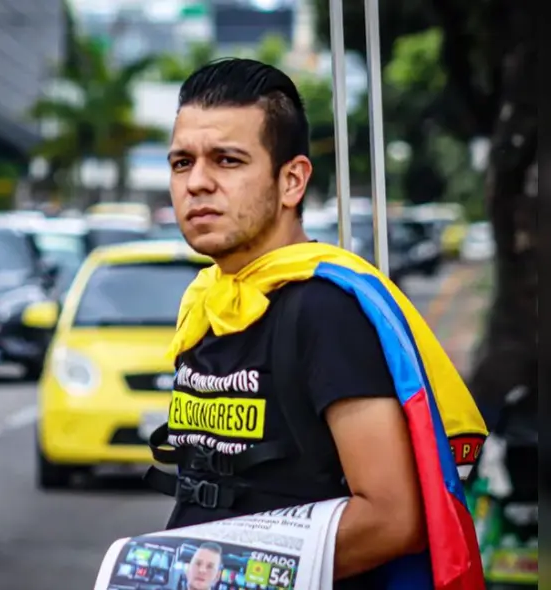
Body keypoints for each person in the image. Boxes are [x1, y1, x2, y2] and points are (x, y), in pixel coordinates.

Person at [145, 58, 487, 589]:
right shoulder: (207, 301)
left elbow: (392, 520)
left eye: (228, 160)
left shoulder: (324, 311)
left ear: (292, 180)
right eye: (181, 162)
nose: (198, 183)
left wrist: (230, 578)